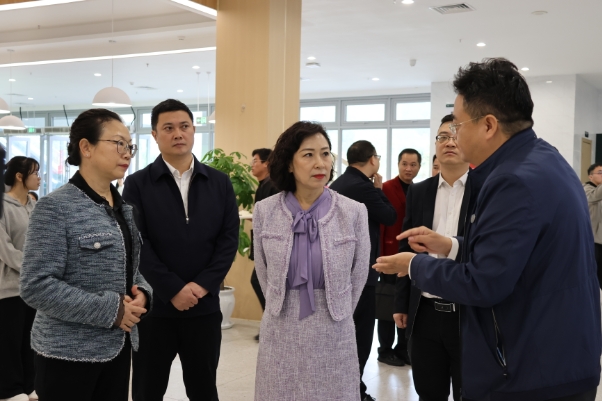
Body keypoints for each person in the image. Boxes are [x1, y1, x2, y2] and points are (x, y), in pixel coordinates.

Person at [373, 58, 601, 401]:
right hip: (558, 358)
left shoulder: (513, 180)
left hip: (531, 371)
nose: (453, 135)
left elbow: (483, 282)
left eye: (458, 124)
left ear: (489, 125)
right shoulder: (545, 159)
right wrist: (451, 245)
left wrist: (414, 265)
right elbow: (517, 252)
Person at [20, 108, 152, 401]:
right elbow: (35, 285)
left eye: (130, 146)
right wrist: (112, 310)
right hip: (67, 354)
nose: (127, 153)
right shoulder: (55, 207)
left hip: (118, 347)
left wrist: (142, 293)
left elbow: (129, 268)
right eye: (118, 143)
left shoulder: (123, 208)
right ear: (86, 147)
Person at [123, 99, 239, 401]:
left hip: (204, 308)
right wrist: (172, 289)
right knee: (147, 390)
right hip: (154, 309)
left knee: (204, 390)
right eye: (168, 128)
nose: (178, 133)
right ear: (154, 135)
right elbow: (137, 242)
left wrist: (202, 285)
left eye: (184, 126)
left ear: (193, 130)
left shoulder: (219, 182)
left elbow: (228, 240)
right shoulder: (137, 184)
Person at [253, 121, 370, 400]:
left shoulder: (353, 212)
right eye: (308, 154)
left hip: (334, 328)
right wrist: (279, 303)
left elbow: (359, 274)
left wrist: (339, 309)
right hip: (280, 325)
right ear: (289, 164)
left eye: (325, 153)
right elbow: (263, 272)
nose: (320, 163)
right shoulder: (265, 211)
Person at [394, 114, 470, 401]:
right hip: (424, 312)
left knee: (468, 391)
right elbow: (407, 248)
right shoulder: (419, 191)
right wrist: (402, 302)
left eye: (455, 136)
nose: (449, 142)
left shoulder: (487, 189)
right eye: (442, 137)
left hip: (468, 313)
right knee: (428, 391)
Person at [329, 140, 397, 401]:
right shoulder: (363, 187)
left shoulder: (338, 184)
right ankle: (354, 391)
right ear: (372, 159)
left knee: (343, 334)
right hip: (360, 272)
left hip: (338, 269)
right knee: (360, 335)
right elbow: (389, 216)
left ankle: (346, 389)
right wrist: (379, 189)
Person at [375, 148, 421, 367]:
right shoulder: (386, 188)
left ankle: (403, 348)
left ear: (419, 167)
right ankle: (384, 349)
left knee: (405, 303)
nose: (408, 168)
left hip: (411, 256)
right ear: (398, 164)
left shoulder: (419, 190)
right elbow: (381, 225)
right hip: (390, 254)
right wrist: (381, 256)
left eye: (413, 164)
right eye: (404, 164)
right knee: (387, 302)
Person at [0, 157, 40, 401]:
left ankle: (29, 384)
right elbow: (4, 249)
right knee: (9, 341)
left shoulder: (34, 206)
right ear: (19, 176)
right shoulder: (3, 206)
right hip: (8, 288)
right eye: (35, 173)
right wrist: (32, 267)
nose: (39, 177)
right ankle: (9, 389)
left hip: (33, 287)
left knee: (30, 339)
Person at [249, 147, 279, 340]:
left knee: (259, 281)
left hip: (271, 246)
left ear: (267, 163)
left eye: (255, 161)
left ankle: (272, 324)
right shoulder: (262, 185)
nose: (252, 165)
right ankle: (270, 323)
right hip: (262, 242)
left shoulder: (272, 186)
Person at [584, 163, 602, 289]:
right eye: (600, 172)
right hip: (592, 241)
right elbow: (594, 197)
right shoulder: (585, 189)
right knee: (592, 273)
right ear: (590, 177)